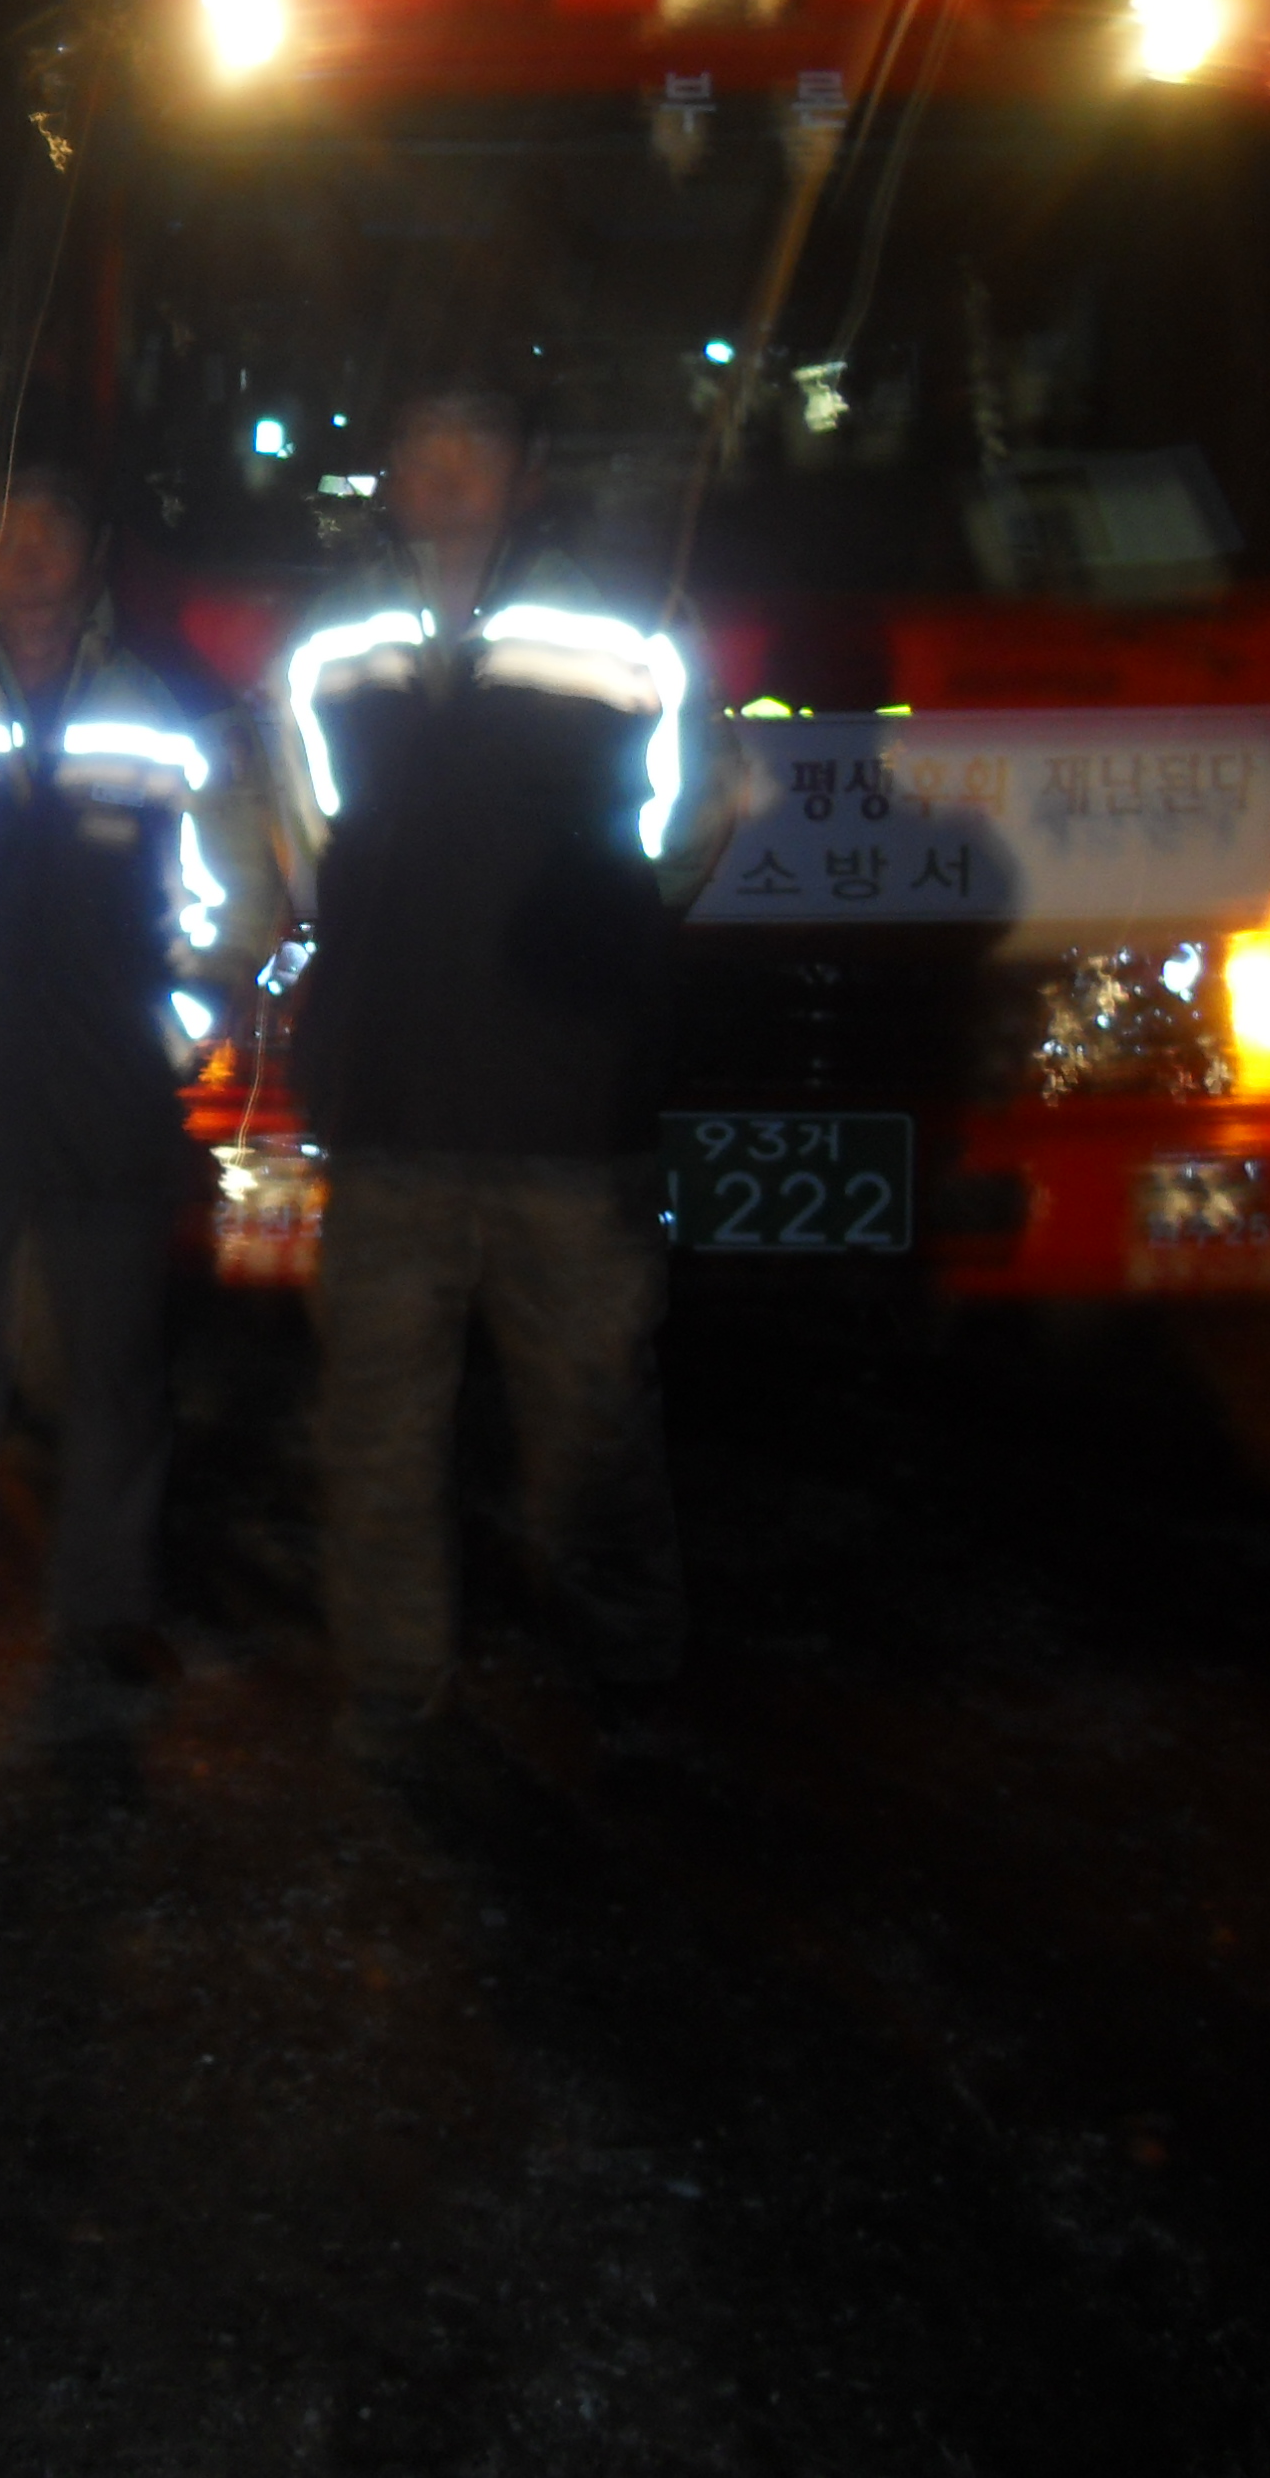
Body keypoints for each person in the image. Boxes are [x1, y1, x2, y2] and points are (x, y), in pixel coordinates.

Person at [271, 384, 720, 1768]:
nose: (448, 472)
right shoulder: (324, 644)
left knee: (591, 1419)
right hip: (389, 1102)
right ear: (390, 475)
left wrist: (594, 948)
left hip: (568, 1115)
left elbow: (700, 812)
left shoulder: (633, 629)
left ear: (531, 476)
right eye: (423, 449)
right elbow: (299, 836)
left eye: (478, 449)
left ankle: (625, 1675)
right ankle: (393, 1688)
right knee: (377, 1426)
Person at [0, 467, 276, 1711]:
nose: (26, 553)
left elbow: (240, 901)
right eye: (4, 536)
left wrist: (168, 1039)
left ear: (92, 555)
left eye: (51, 531)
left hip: (107, 1104)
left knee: (115, 1380)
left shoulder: (171, 717)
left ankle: (105, 1612)